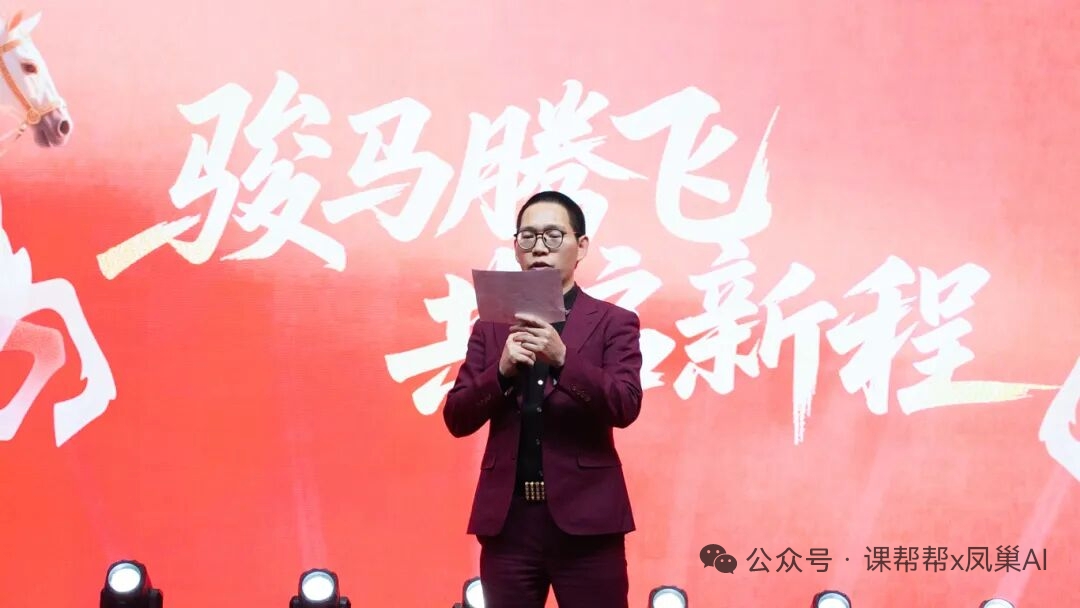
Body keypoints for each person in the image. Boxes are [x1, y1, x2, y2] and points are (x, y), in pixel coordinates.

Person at [443, 191, 643, 608]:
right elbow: (457, 417)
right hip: (509, 525)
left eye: (553, 236)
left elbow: (625, 406)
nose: (539, 248)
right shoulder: (490, 327)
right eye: (528, 236)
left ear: (580, 246)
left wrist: (563, 359)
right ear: (516, 248)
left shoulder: (614, 322)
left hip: (589, 522)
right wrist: (500, 372)